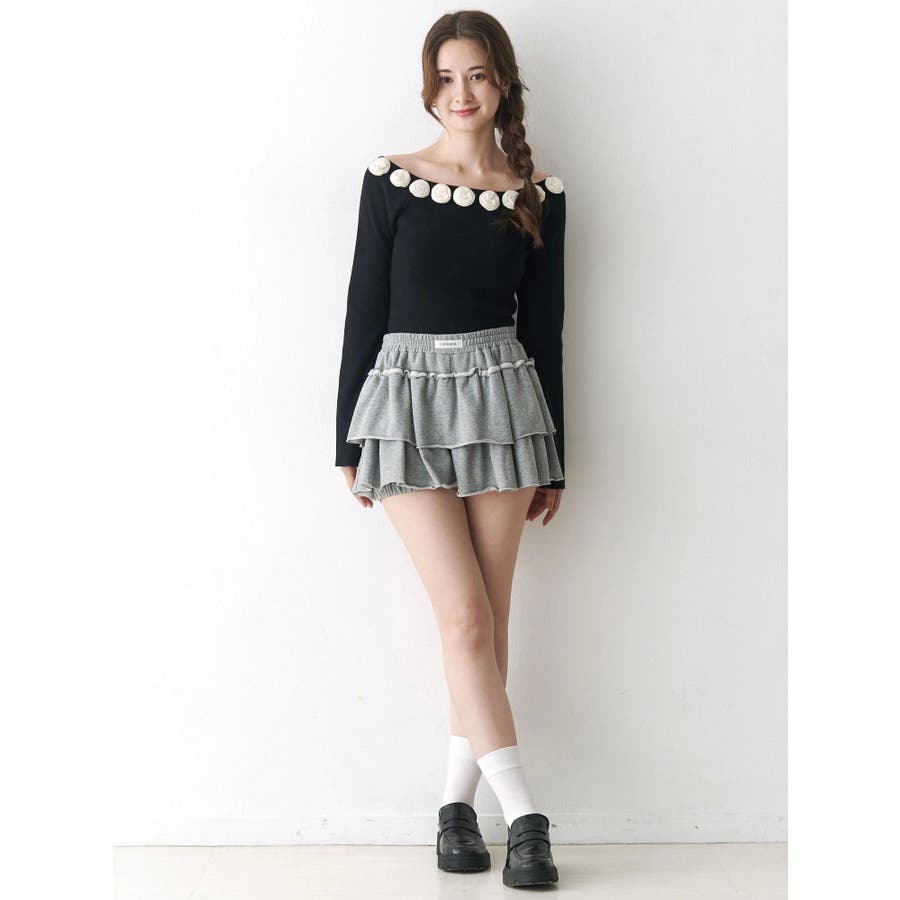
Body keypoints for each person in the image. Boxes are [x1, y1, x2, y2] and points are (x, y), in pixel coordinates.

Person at [334, 10, 566, 888]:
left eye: (476, 74)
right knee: (464, 617)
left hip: (505, 403)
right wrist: (348, 437)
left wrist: (557, 457)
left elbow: (546, 331)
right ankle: (528, 817)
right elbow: (363, 308)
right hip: (402, 405)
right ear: (427, 86)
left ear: (503, 81)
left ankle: (454, 813)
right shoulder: (390, 180)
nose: (460, 93)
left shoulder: (538, 194)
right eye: (445, 76)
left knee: (488, 625)